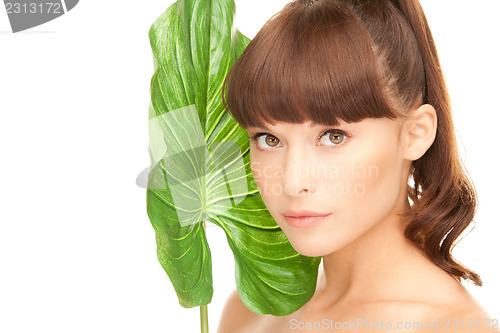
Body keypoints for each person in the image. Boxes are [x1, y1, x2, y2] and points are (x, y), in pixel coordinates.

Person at [217, 0, 498, 332]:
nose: (292, 182)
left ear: (415, 134)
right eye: (268, 139)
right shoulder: (250, 313)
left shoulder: (455, 327)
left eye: (333, 136)